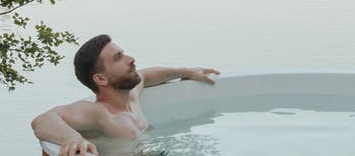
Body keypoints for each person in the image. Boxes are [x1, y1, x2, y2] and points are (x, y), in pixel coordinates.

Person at [31, 34, 219, 156]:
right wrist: (71, 137)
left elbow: (146, 75)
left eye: (124, 53)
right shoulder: (100, 113)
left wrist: (186, 72)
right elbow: (43, 120)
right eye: (118, 58)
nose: (131, 59)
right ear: (101, 79)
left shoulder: (132, 98)